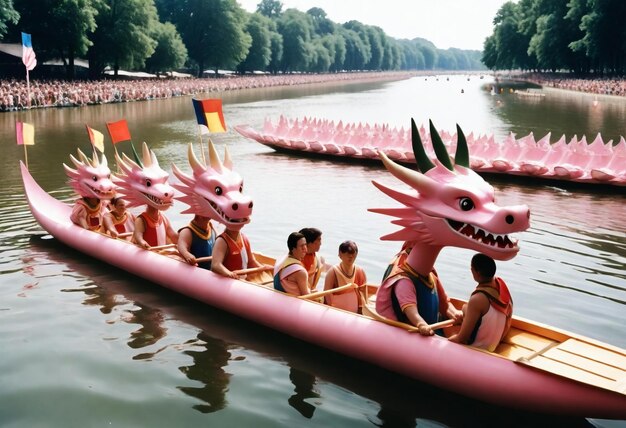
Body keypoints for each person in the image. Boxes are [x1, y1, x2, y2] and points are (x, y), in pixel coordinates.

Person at [376, 253, 463, 336]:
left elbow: (445, 304)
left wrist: (455, 313)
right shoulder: (404, 281)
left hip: (435, 328)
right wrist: (421, 324)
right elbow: (411, 311)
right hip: (416, 331)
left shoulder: (432, 276)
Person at [448, 253, 513, 351]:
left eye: (472, 269)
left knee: (443, 330)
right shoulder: (502, 286)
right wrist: (466, 309)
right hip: (494, 345)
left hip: (477, 349)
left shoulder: (477, 299)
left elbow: (461, 338)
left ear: (477, 272)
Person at [323, 240, 367, 313]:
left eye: (353, 254)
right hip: (335, 314)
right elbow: (327, 294)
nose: (350, 256)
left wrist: (362, 311)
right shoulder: (333, 272)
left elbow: (363, 295)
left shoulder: (360, 271)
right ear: (340, 254)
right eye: (347, 253)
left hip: (355, 314)